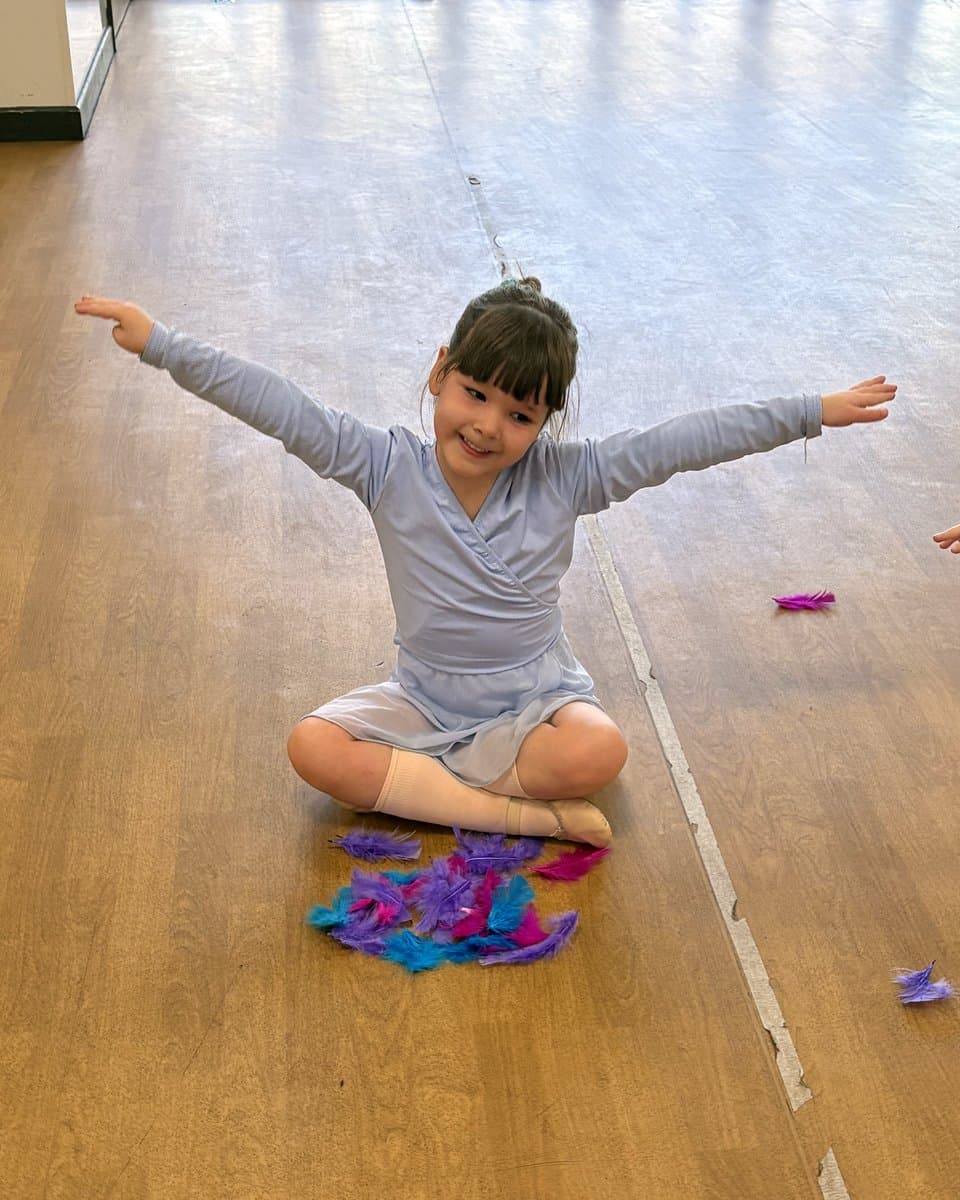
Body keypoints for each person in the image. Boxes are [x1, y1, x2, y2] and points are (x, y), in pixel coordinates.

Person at [75, 279, 896, 847]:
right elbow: (279, 404)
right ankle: (526, 820)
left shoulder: (571, 477)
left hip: (535, 703)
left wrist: (809, 412)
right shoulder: (382, 465)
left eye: (519, 413)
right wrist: (162, 344)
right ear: (439, 372)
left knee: (599, 752)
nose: (487, 427)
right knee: (312, 749)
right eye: (473, 393)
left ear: (545, 421)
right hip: (426, 699)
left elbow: (683, 441)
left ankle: (453, 797)